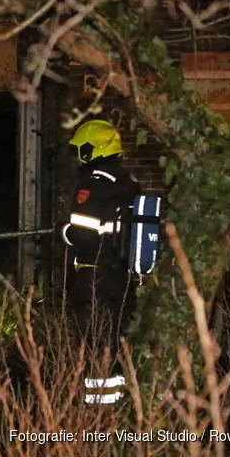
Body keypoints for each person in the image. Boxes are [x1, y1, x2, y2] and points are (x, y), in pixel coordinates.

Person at [59, 119, 140, 405]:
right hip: (121, 274)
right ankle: (118, 403)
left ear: (94, 149)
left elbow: (81, 232)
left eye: (82, 149)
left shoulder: (93, 184)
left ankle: (97, 411)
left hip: (93, 273)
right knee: (115, 338)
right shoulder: (127, 182)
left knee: (94, 341)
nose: (79, 156)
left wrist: (64, 231)